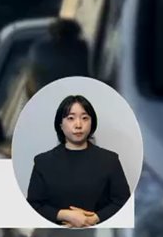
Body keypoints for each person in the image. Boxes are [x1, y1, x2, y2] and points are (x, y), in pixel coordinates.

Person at [26, 94, 131, 228]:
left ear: (91, 123)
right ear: (61, 125)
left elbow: (123, 202)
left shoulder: (110, 160)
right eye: (71, 118)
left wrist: (94, 219)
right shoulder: (42, 162)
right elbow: (33, 205)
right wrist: (65, 215)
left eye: (84, 118)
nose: (78, 125)